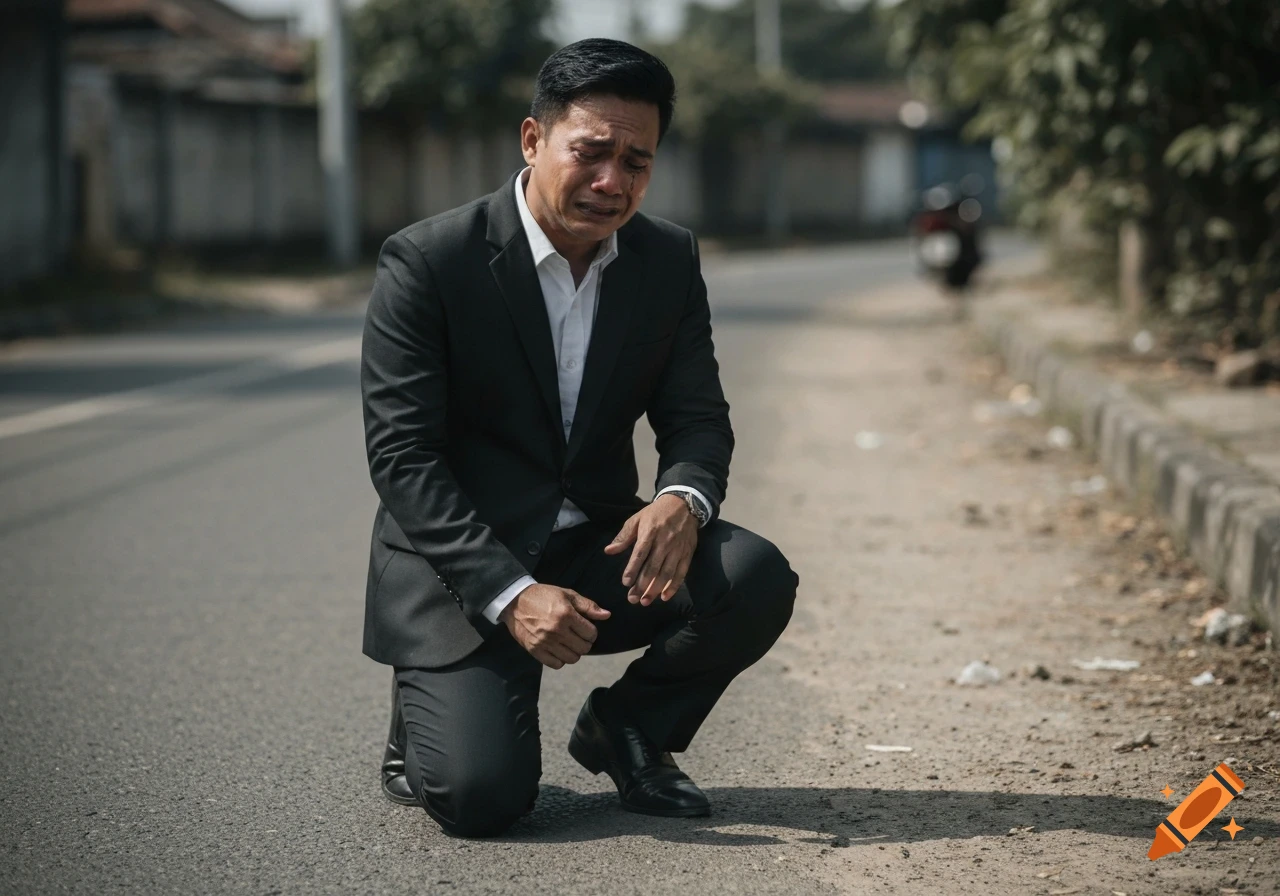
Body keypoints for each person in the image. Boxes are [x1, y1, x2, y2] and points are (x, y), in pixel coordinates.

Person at [359, 37, 799, 839]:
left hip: (593, 546)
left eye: (638, 162)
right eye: (592, 153)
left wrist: (682, 499)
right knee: (482, 800)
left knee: (754, 575)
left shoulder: (665, 259)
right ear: (533, 140)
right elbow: (403, 457)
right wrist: (512, 593)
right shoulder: (429, 262)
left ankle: (630, 727)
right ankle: (426, 703)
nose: (612, 182)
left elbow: (697, 415)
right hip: (466, 565)